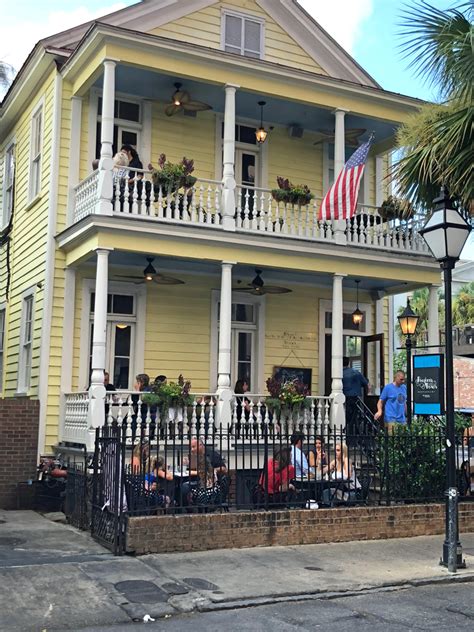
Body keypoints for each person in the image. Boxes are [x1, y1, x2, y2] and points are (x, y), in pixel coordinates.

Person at [342, 357, 368, 444]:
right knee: (354, 418)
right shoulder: (356, 372)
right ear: (348, 363)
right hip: (355, 398)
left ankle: (347, 437)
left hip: (344, 399)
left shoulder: (340, 374)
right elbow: (365, 383)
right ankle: (355, 437)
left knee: (345, 418)